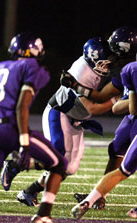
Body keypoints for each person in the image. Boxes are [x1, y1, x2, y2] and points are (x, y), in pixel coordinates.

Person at [3, 37, 118, 208]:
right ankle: (16, 163)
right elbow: (92, 109)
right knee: (58, 157)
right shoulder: (82, 72)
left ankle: (29, 192)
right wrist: (116, 101)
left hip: (76, 119)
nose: (106, 66)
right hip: (59, 113)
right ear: (92, 59)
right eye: (103, 63)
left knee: (69, 168)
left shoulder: (95, 67)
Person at [0, 32, 67, 223]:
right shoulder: (33, 67)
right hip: (10, 127)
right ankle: (43, 214)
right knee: (59, 164)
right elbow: (22, 106)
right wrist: (24, 144)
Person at [68, 26, 137, 209]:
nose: (110, 58)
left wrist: (124, 103)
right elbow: (104, 99)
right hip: (132, 116)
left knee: (128, 166)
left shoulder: (130, 68)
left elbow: (130, 108)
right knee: (116, 150)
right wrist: (77, 86)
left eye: (114, 52)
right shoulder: (128, 69)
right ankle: (99, 196)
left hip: (134, 114)